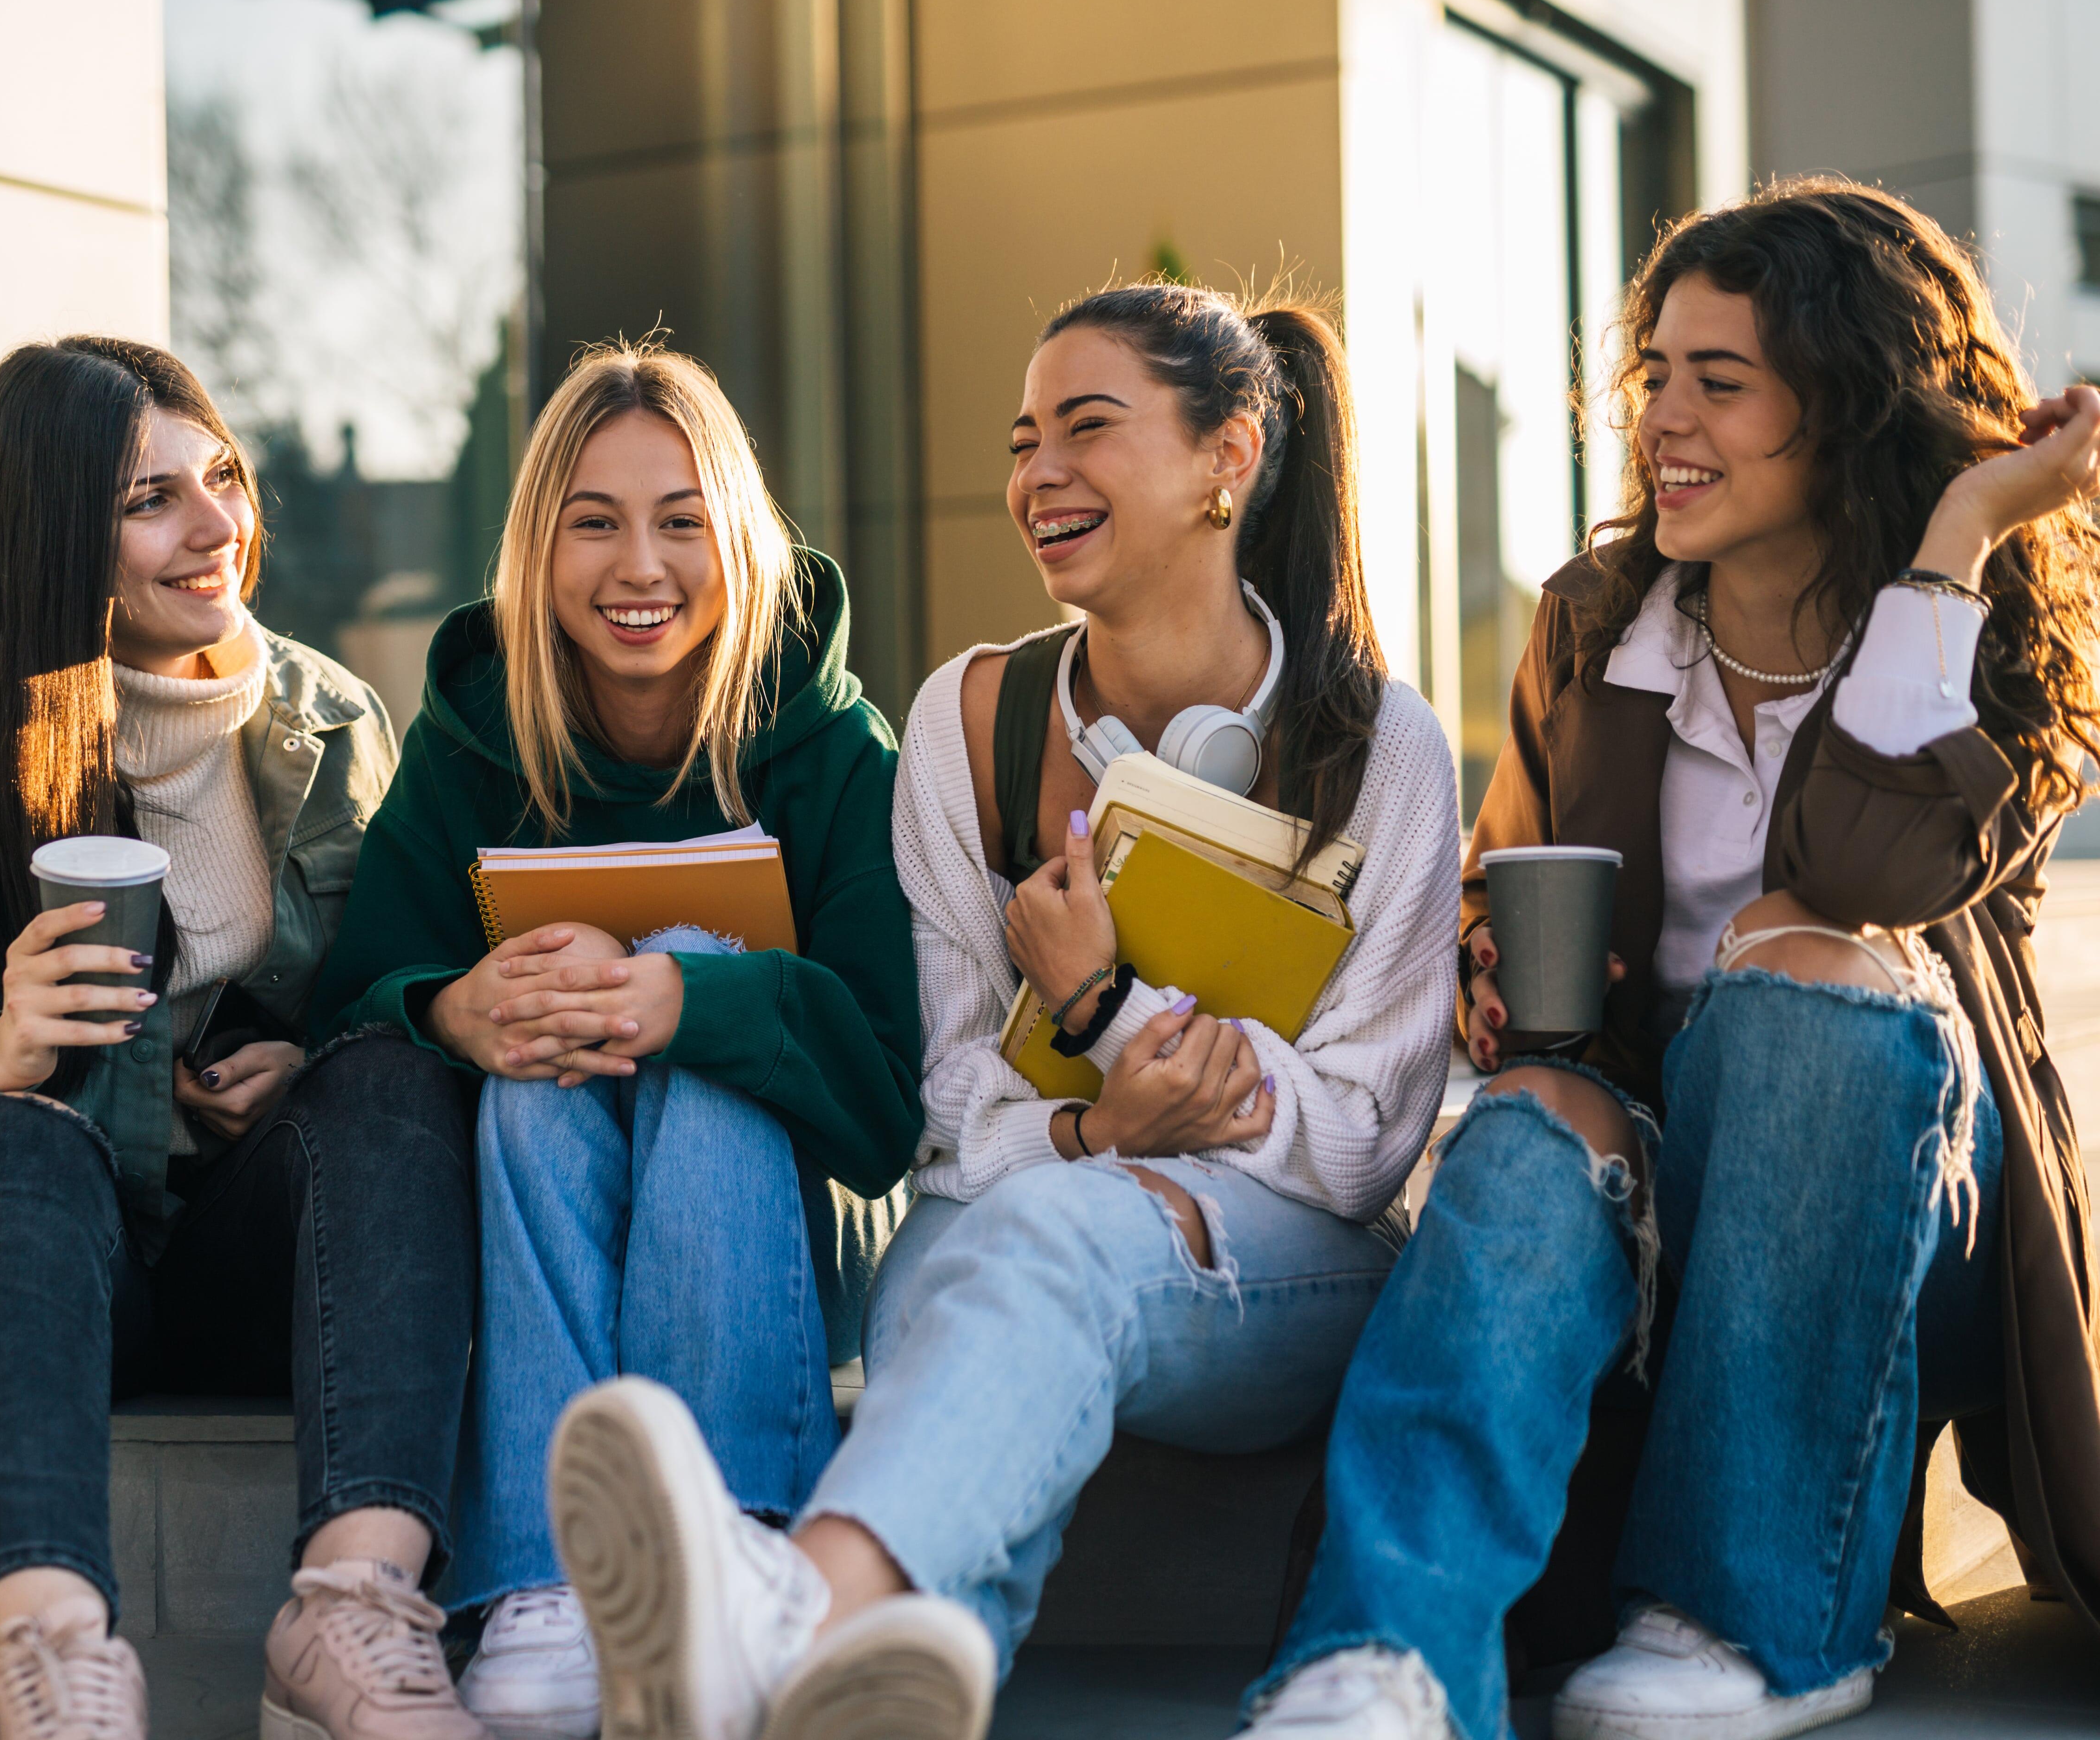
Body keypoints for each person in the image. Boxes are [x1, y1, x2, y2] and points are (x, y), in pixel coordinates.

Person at [533, 284, 1464, 1740]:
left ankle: (791, 1607)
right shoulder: (969, 725)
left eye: (1089, 428)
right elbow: (942, 1112)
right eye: (1024, 439)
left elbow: (1363, 1147)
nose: (1039, 474)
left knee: (1039, 1238)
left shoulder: (1378, 746)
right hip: (1029, 1203)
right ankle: (882, 1679)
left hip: (1285, 1281)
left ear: (1230, 456)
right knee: (949, 1280)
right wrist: (1109, 1122)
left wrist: (1103, 1011)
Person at [1240, 179, 2100, 1740]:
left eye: (1724, 382)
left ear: (1841, 410)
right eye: (1657, 379)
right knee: (1525, 1127)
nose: (1666, 423)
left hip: (1895, 1216)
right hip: (1652, 1186)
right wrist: (1480, 967)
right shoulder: (1597, 626)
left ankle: (1753, 1623)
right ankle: (1379, 1656)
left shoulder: (1969, 631)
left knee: (1801, 957)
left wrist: (1959, 531)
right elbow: (1506, 873)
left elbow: (1866, 876)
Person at [0, 338, 480, 1740]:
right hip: (2, 1268)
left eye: (221, 476)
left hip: (242, 1264)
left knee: (393, 1076)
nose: (217, 526)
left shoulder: (334, 726)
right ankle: (54, 1659)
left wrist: (307, 1074)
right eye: (153, 500)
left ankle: (346, 1620)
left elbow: (404, 984)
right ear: (56, 534)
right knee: (17, 1138)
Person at [304, 341, 924, 1740]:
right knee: (533, 1043)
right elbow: (352, 1008)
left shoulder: (839, 754)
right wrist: (453, 1007)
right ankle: (540, 1582)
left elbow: (891, 1103)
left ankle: (744, 1532)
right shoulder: (470, 748)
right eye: (594, 522)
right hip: (547, 1214)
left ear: (739, 538)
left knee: (701, 981)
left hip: (773, 1241)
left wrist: (693, 1001)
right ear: (539, 548)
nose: (638, 565)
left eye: (680, 521)